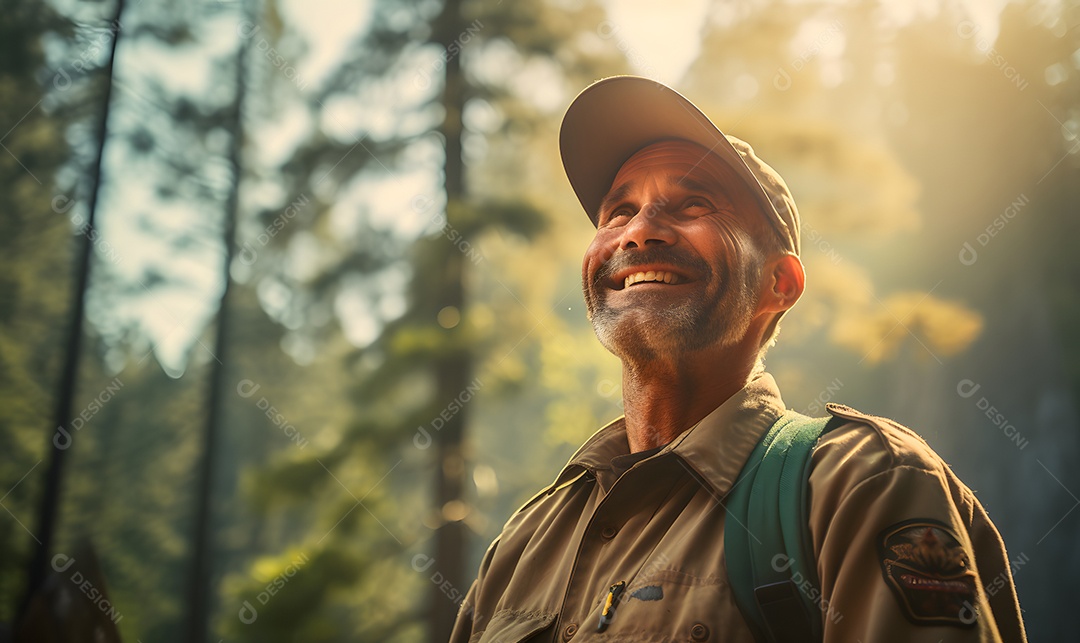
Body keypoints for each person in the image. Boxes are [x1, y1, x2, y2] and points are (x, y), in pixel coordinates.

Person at [449, 76, 1027, 642]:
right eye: (618, 211)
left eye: (693, 203)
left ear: (779, 282)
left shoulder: (858, 484)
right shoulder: (524, 543)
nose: (639, 231)